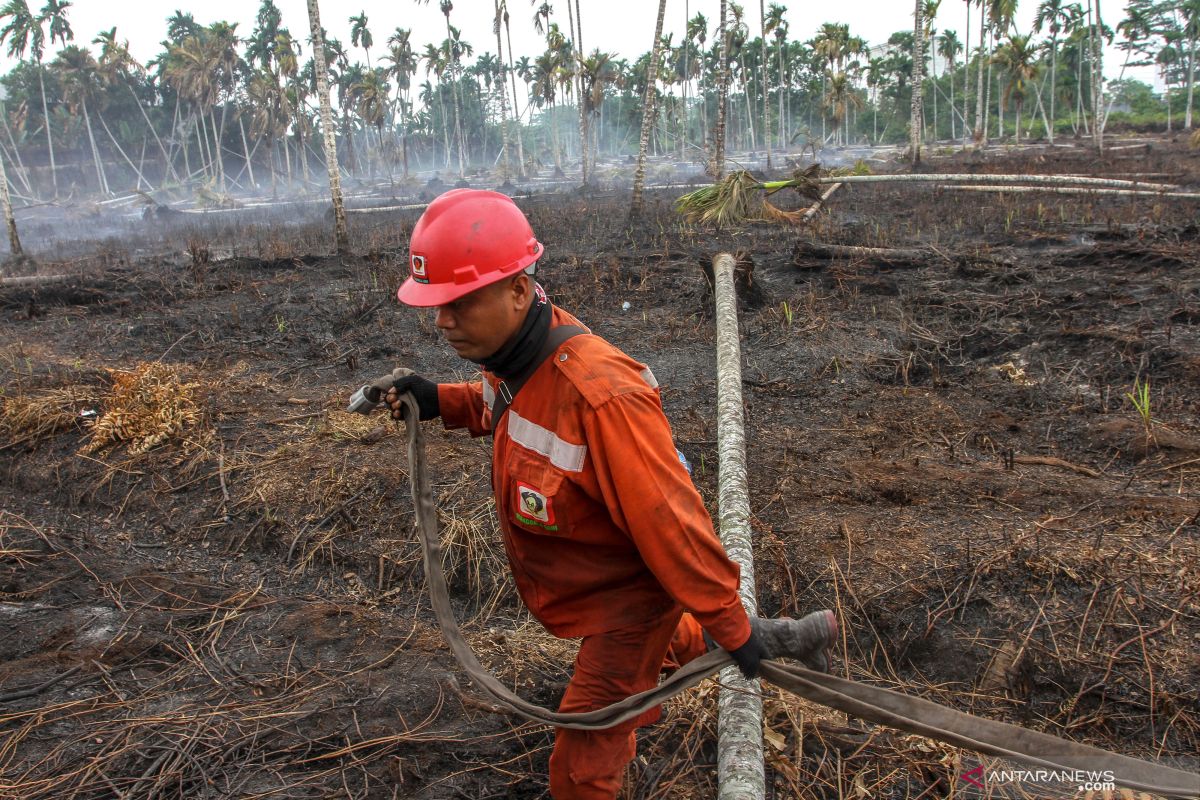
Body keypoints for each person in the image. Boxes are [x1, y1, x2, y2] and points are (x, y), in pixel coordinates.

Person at [385, 189, 836, 799]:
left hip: (628, 601)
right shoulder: (514, 356)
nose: (442, 321)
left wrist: (732, 625)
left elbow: (671, 522)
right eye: (436, 305)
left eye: (459, 302)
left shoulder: (601, 395)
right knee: (675, 641)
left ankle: (737, 637)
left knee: (580, 769)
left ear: (519, 290)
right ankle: (779, 635)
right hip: (596, 594)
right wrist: (438, 399)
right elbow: (506, 406)